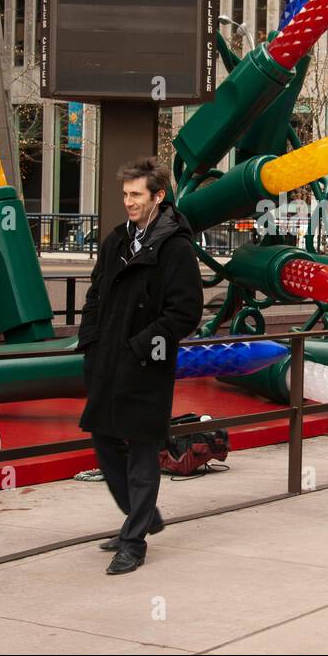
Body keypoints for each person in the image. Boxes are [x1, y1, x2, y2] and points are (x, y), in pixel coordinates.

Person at [77, 157, 204, 575]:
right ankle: (142, 515)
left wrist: (139, 346)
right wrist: (91, 343)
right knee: (103, 438)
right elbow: (95, 295)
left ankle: (133, 542)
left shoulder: (176, 247)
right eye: (125, 194)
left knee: (142, 449)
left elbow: (185, 313)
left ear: (158, 196)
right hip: (107, 360)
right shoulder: (116, 240)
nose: (128, 202)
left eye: (136, 195)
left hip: (146, 364)